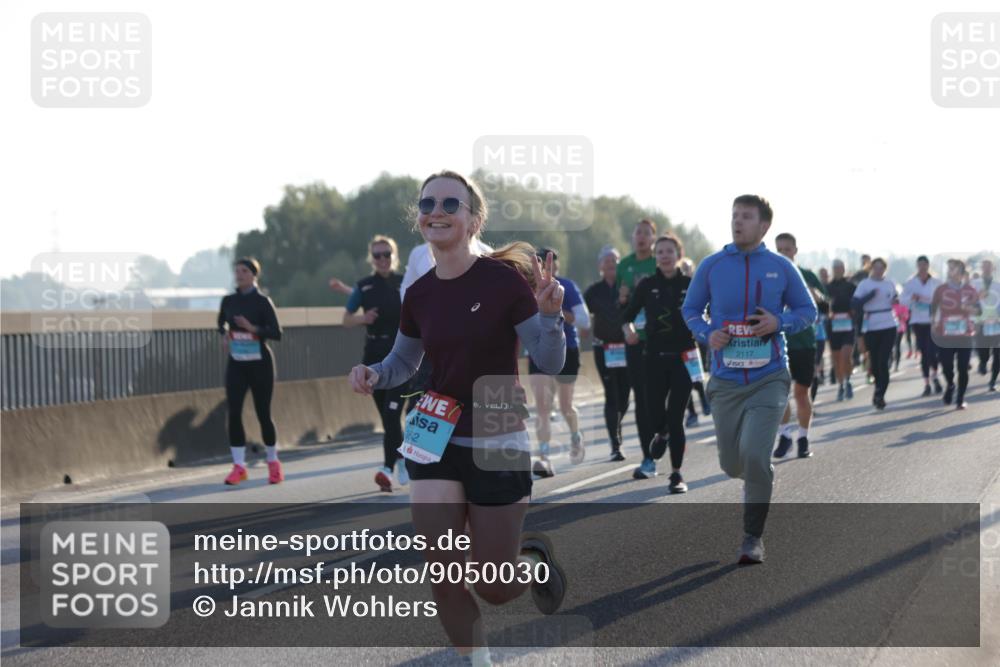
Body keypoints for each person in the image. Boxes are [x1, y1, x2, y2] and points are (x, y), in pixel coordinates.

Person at [349, 170, 568, 664]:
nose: (437, 211)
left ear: (474, 220)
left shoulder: (505, 282)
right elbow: (404, 363)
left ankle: (532, 564)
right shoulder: (420, 293)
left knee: (494, 587)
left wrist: (551, 318)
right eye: (428, 204)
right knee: (443, 571)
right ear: (419, 218)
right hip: (433, 433)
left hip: (496, 430)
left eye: (451, 203)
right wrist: (373, 374)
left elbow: (549, 361)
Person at [682, 195, 816, 564]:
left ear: (764, 226)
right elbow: (691, 309)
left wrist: (780, 323)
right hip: (725, 380)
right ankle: (755, 480)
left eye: (746, 217)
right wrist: (706, 333)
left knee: (756, 455)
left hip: (769, 376)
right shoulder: (712, 266)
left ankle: (752, 537)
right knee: (732, 464)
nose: (737, 222)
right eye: (734, 216)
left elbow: (809, 310)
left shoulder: (781, 267)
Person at [622, 233, 697, 493]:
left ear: (678, 254)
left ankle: (676, 474)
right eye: (660, 251)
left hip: (684, 357)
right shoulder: (646, 285)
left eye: (670, 251)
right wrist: (628, 330)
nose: (665, 255)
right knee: (654, 413)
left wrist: (705, 327)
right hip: (653, 357)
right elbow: (627, 315)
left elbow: (705, 311)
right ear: (656, 256)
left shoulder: (691, 283)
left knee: (676, 416)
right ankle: (661, 433)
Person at [333, 235, 409, 492]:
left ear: (394, 256)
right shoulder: (363, 286)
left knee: (392, 412)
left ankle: (387, 468)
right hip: (373, 358)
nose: (383, 259)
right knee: (388, 419)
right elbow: (346, 320)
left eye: (387, 254)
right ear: (371, 258)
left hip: (402, 357)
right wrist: (362, 318)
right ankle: (400, 459)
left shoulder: (405, 282)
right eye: (377, 255)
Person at [217, 257, 283, 486]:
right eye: (237, 271)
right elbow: (221, 324)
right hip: (237, 362)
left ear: (254, 275)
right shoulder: (228, 301)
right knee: (233, 412)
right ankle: (239, 467)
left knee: (263, 413)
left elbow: (277, 333)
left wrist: (252, 328)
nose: (239, 274)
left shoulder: (263, 302)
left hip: (260, 363)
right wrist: (225, 334)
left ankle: (273, 463)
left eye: (244, 271)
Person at [528, 248, 590, 477]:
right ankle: (543, 457)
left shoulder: (567, 286)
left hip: (567, 349)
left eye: (550, 263)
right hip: (537, 349)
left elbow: (584, 321)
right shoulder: (528, 288)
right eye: (541, 263)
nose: (546, 267)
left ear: (557, 266)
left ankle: (576, 436)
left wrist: (555, 309)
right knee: (543, 407)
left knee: (565, 407)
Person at [772, 233, 827, 459]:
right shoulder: (770, 275)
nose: (784, 253)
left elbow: (825, 305)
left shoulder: (806, 275)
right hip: (777, 342)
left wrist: (816, 295)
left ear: (795, 250)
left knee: (801, 393)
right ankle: (785, 435)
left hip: (804, 342)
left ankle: (803, 437)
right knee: (780, 394)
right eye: (780, 249)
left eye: (788, 249)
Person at [617, 219, 658, 478]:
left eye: (646, 233)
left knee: (660, 398)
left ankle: (664, 434)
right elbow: (620, 305)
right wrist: (627, 328)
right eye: (637, 233)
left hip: (660, 340)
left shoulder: (660, 262)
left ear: (653, 238)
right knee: (641, 400)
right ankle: (648, 458)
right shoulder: (625, 265)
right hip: (634, 340)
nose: (641, 237)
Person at [583, 245, 631, 462]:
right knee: (611, 396)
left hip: (626, 348)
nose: (611, 263)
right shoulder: (593, 291)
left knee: (624, 397)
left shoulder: (627, 288)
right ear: (600, 266)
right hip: (603, 349)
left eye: (614, 260)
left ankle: (618, 424)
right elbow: (583, 317)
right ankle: (615, 443)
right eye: (607, 260)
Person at [932, 260, 981, 409]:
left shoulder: (970, 290)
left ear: (961, 272)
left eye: (954, 269)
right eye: (949, 269)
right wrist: (933, 323)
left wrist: (969, 309)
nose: (951, 271)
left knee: (963, 366)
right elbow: (933, 309)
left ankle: (960, 399)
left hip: (964, 334)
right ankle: (951, 385)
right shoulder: (941, 289)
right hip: (945, 333)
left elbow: (979, 311)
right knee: (946, 366)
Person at [851, 258, 898, 410]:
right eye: (875, 268)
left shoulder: (889, 283)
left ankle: (880, 393)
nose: (878, 270)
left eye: (881, 268)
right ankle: (878, 387)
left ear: (885, 269)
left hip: (889, 324)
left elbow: (894, 298)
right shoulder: (865, 284)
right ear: (871, 268)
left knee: (883, 361)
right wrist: (869, 296)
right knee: (875, 362)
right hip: (871, 325)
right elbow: (854, 303)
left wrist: (896, 301)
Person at [901, 256, 944, 396]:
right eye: (920, 265)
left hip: (933, 321)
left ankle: (935, 376)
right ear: (917, 266)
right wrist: (911, 298)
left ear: (928, 266)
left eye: (924, 265)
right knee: (924, 353)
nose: (922, 267)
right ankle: (927, 383)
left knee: (933, 352)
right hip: (918, 322)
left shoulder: (936, 282)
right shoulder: (911, 283)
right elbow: (902, 300)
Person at [679, 257, 711, 426]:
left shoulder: (696, 285)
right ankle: (691, 412)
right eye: (682, 268)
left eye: (688, 268)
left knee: (696, 376)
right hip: (676, 340)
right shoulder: (676, 285)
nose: (684, 271)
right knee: (682, 381)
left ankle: (705, 401)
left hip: (692, 339)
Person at [825, 260, 857, 401]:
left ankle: (848, 380)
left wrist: (853, 311)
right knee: (837, 359)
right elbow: (823, 305)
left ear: (844, 269)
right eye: (836, 268)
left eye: (840, 268)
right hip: (834, 326)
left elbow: (857, 303)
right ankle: (841, 385)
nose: (838, 270)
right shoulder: (827, 287)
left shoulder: (851, 286)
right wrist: (828, 313)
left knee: (846, 356)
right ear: (833, 270)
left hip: (848, 325)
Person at [972, 259, 1000, 391]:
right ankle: (983, 362)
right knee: (983, 351)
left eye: (989, 266)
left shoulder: (998, 284)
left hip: (997, 322)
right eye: (984, 266)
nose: (987, 269)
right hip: (981, 322)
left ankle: (993, 381)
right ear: (982, 268)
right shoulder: (975, 284)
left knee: (998, 354)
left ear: (993, 268)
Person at [892, 298, 910, 372]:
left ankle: (896, 364)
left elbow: (906, 316)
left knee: (897, 345)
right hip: (890, 328)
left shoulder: (903, 306)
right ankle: (890, 361)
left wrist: (901, 316)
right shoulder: (889, 306)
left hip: (900, 328)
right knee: (891, 346)